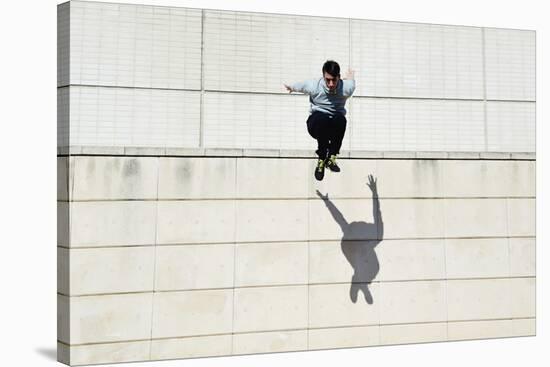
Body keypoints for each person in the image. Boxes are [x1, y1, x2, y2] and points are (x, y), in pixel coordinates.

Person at [284, 60, 356, 181]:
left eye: (334, 80)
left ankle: (331, 157)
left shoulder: (346, 88)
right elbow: (301, 86)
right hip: (316, 124)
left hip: (333, 126)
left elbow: (351, 82)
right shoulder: (314, 85)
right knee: (322, 118)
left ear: (339, 77)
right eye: (328, 80)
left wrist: (350, 78)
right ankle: (322, 158)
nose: (331, 84)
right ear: (323, 77)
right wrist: (292, 87)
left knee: (340, 119)